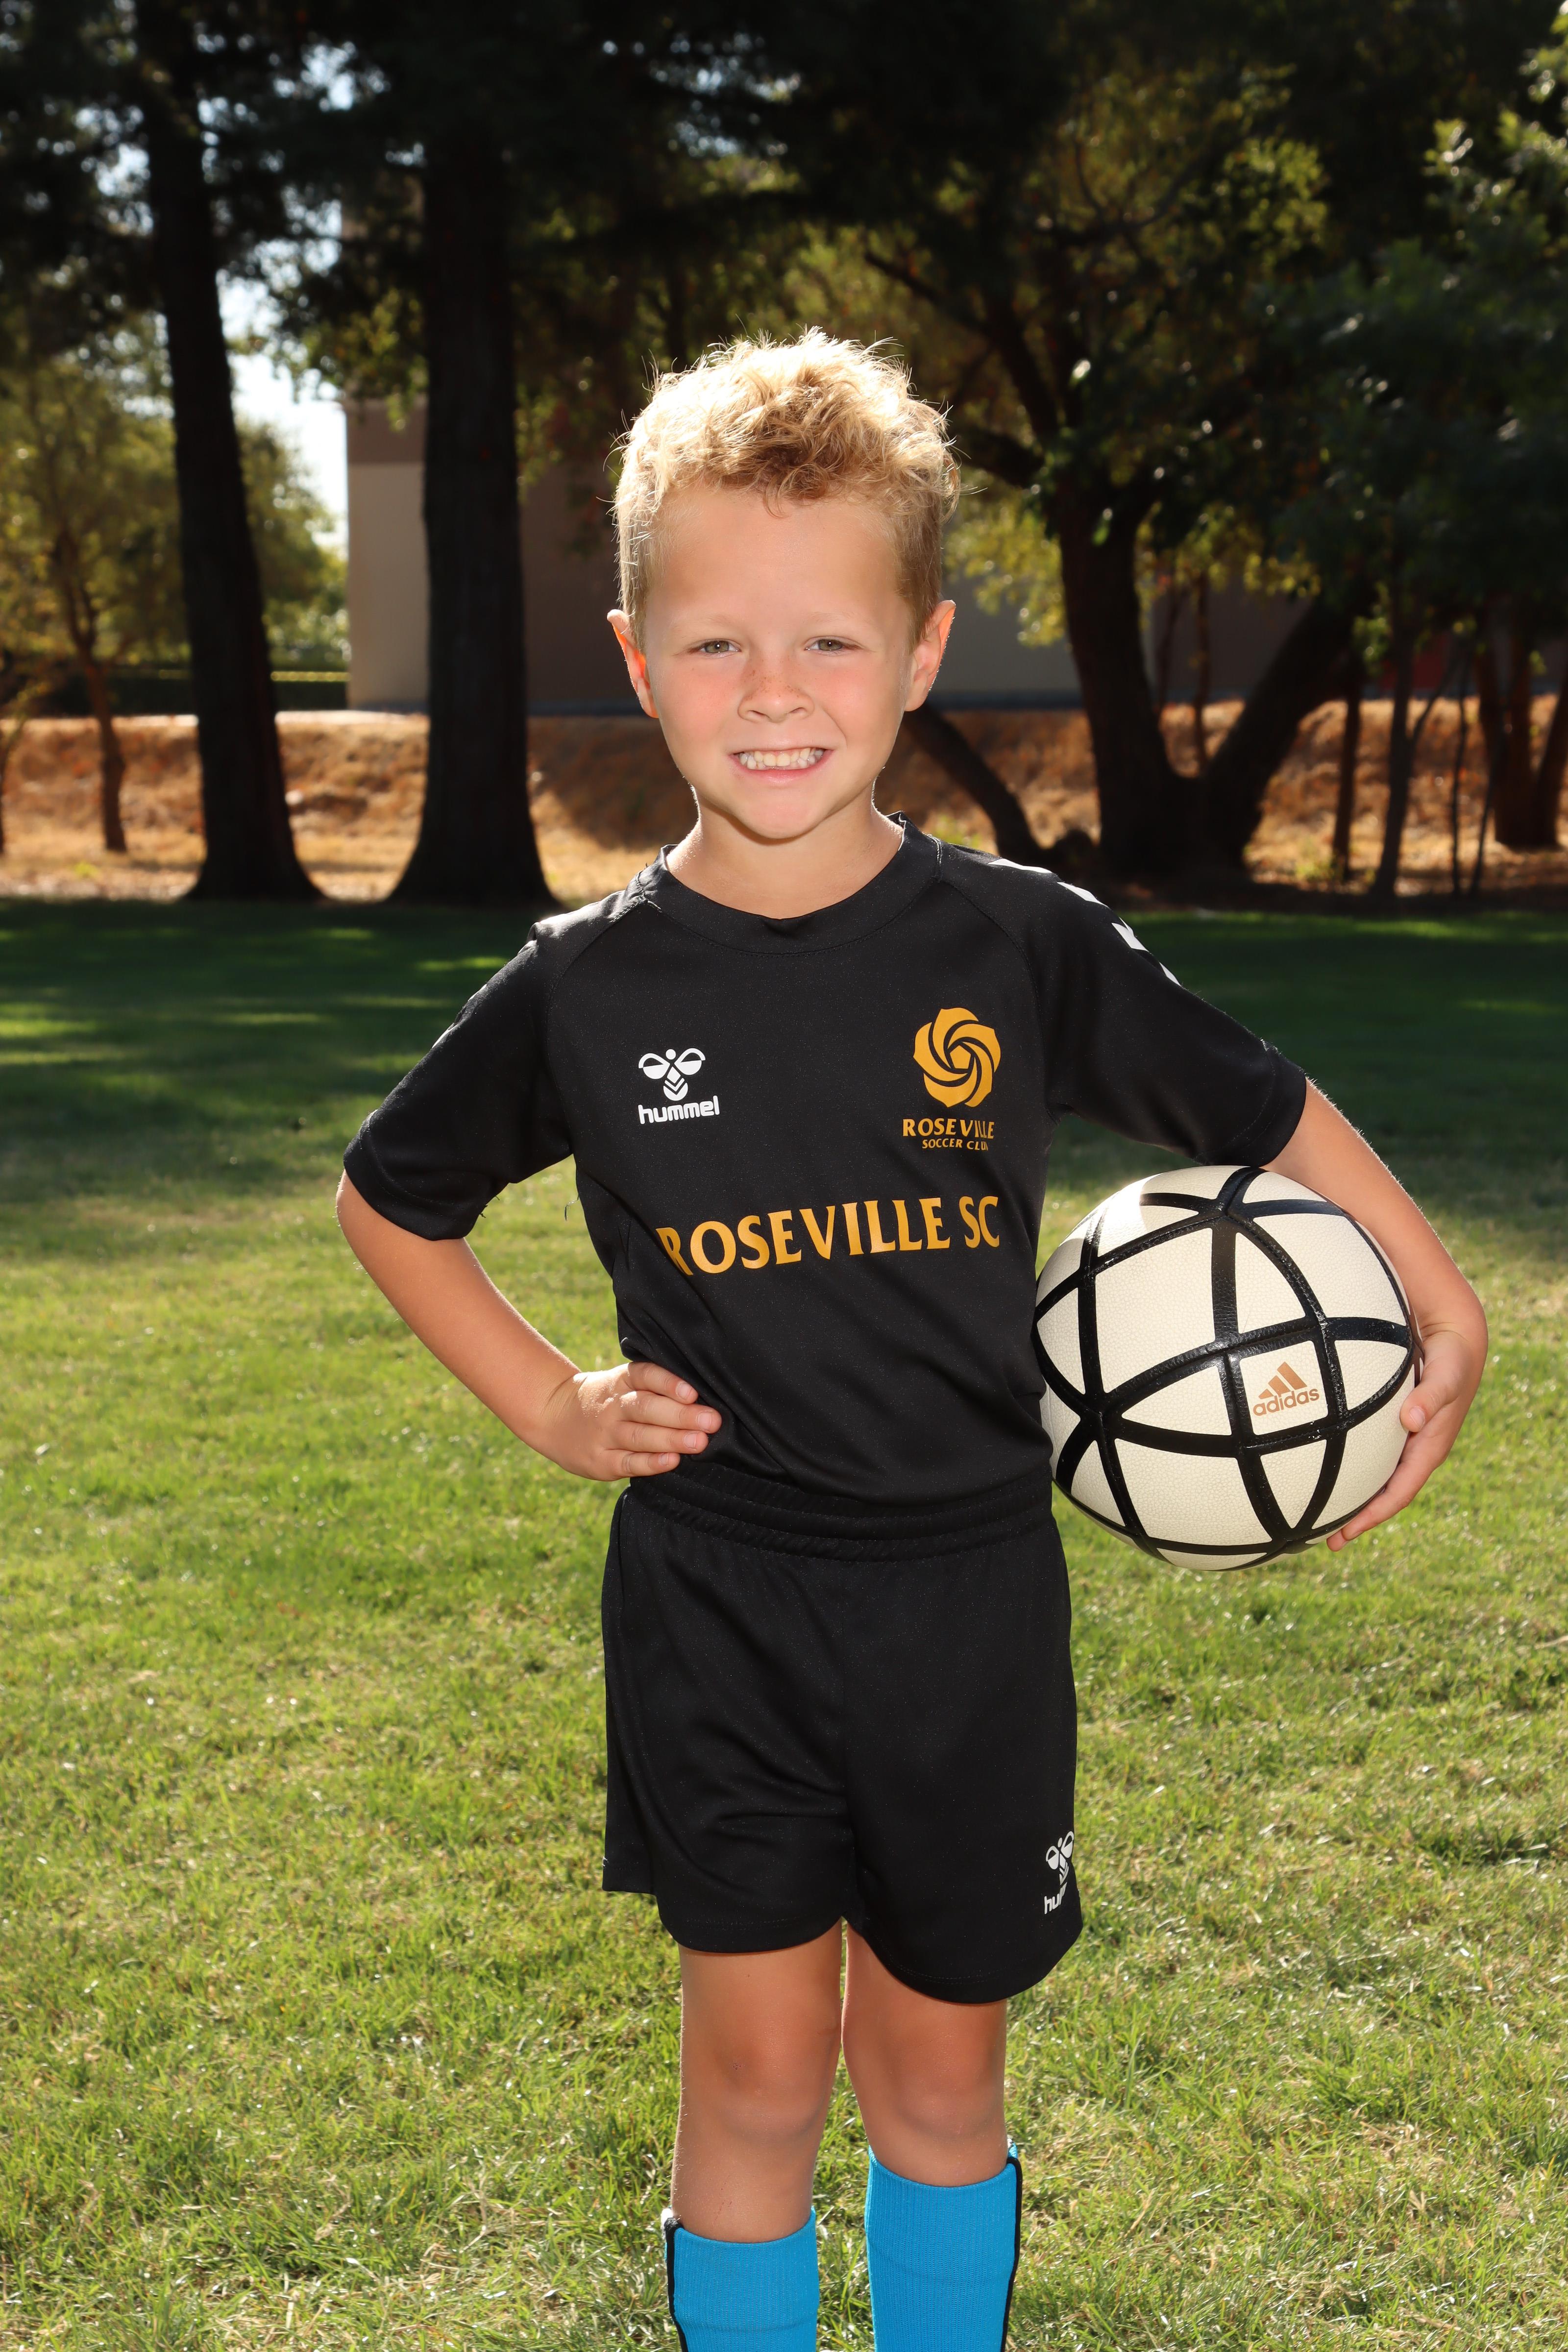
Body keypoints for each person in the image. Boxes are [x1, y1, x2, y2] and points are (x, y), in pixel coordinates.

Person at [336, 333, 1486, 2352]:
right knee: (757, 2081)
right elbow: (391, 1198)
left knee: (938, 2085)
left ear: (923, 648)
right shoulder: (587, 990)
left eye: (829, 642)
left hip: (967, 1603)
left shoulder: (1017, 945)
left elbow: (1257, 1103)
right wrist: (549, 1400)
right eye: (716, 644)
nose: (772, 693)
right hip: (720, 1603)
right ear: (636, 658)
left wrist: (1435, 1293)